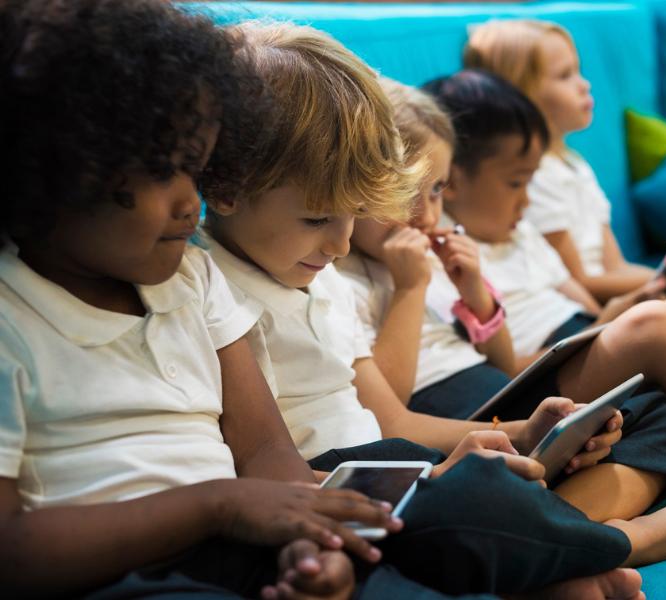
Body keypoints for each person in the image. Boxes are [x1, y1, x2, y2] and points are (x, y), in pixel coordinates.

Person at [199, 21, 666, 595]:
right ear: (227, 187)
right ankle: (629, 540)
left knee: (642, 416)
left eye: (353, 215)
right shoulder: (216, 289)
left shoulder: (320, 280)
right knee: (475, 495)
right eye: (319, 218)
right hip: (343, 469)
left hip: (390, 458)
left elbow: (387, 415)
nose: (341, 243)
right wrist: (447, 465)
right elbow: (301, 447)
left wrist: (523, 433)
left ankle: (545, 554)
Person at [0, 2, 407, 598]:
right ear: (53, 172)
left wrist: (306, 544)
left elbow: (266, 448)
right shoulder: (11, 318)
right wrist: (218, 505)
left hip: (242, 542)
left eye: (197, 169)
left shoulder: (193, 279)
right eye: (163, 171)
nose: (193, 202)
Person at [425, 68, 666, 488]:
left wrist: (624, 307)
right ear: (451, 180)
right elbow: (497, 365)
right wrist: (620, 320)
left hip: (577, 346)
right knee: (655, 325)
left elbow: (587, 309)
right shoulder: (449, 257)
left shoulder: (521, 236)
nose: (526, 200)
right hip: (526, 389)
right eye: (515, 183)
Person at [463, 18, 666, 367]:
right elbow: (582, 281)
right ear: (518, 97)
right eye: (565, 76)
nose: (584, 84)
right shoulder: (536, 180)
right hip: (605, 310)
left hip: (625, 300)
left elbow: (615, 265)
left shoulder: (573, 164)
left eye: (579, 71)